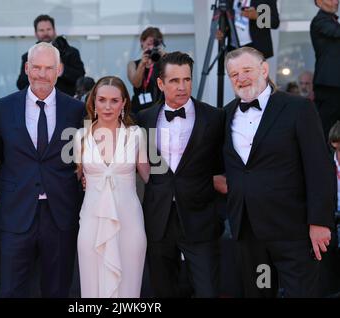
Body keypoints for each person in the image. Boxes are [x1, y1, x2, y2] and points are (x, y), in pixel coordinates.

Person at [223, 47, 336, 297]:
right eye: (233, 74)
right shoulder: (226, 115)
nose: (240, 78)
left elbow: (319, 168)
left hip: (293, 230)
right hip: (248, 231)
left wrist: (319, 221)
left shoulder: (297, 108)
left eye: (246, 70)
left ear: (264, 70)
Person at [0, 42, 85, 298]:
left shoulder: (76, 110)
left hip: (61, 214)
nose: (42, 74)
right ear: (26, 68)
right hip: (16, 212)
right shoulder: (2, 108)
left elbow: (81, 156)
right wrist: (4, 189)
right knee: (11, 290)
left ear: (60, 70)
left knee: (57, 289)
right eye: (36, 67)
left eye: (48, 68)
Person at [136, 52, 225, 298]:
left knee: (208, 290)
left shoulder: (214, 117)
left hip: (201, 217)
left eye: (187, 79)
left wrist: (219, 212)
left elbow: (223, 167)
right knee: (163, 290)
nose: (182, 86)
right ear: (161, 84)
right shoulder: (143, 119)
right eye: (174, 81)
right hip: (158, 219)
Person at [74, 76, 149, 298]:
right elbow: (76, 178)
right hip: (91, 221)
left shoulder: (136, 135)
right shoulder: (80, 137)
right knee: (91, 285)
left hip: (129, 221)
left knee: (129, 285)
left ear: (124, 103)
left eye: (114, 100)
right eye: (102, 99)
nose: (107, 106)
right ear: (93, 102)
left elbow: (148, 176)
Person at [16, 14, 85, 96]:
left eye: (48, 29)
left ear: (54, 30)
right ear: (36, 33)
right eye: (41, 30)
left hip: (66, 102)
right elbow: (21, 84)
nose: (45, 33)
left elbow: (81, 78)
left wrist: (63, 70)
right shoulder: (27, 56)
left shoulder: (71, 52)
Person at [311, 0, 340, 139]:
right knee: (325, 129)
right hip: (329, 86)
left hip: (334, 85)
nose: (336, 1)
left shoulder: (331, 22)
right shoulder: (320, 21)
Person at [127, 27, 165, 115]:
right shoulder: (133, 64)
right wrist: (142, 64)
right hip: (138, 111)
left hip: (159, 111)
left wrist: (165, 57)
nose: (151, 47)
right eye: (148, 44)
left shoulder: (164, 62)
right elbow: (136, 83)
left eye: (155, 44)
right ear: (142, 42)